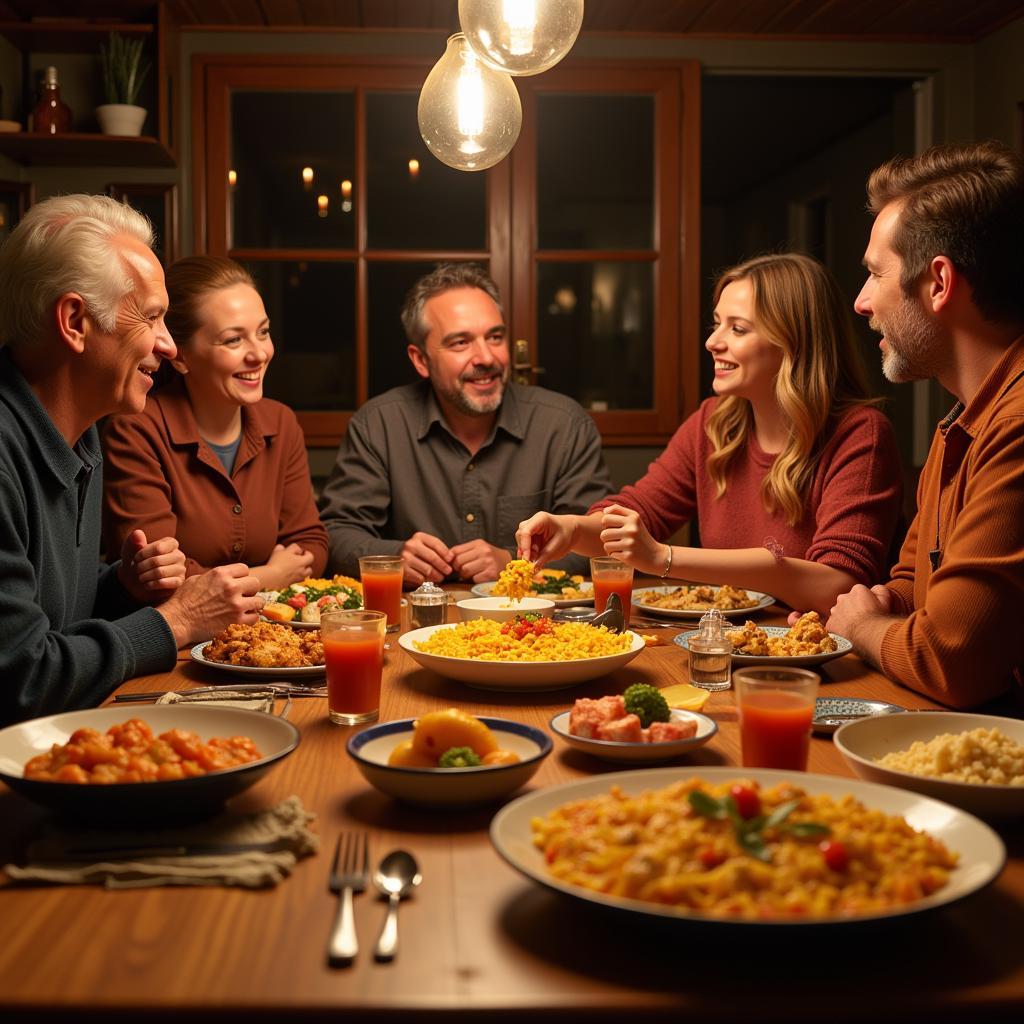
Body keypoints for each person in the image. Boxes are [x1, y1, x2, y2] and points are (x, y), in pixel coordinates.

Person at [0, 195, 264, 726]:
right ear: (75, 321)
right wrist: (175, 622)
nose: (168, 345)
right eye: (151, 318)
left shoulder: (81, 437)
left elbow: (54, 620)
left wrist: (122, 587)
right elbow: (21, 678)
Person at [517, 253, 903, 614]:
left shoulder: (860, 435)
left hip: (812, 660)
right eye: (716, 323)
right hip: (718, 644)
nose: (713, 342)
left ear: (793, 343)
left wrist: (664, 559)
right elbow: (641, 512)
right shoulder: (713, 423)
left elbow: (839, 585)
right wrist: (569, 529)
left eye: (737, 328)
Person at [826, 141, 1024, 709]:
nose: (861, 303)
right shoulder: (963, 418)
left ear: (938, 283)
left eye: (874, 274)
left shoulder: (1015, 426)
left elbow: (952, 660)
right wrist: (885, 608)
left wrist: (862, 627)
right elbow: (914, 586)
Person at [317, 262, 612, 585]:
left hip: (535, 629)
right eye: (460, 342)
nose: (486, 357)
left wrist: (513, 561)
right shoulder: (378, 425)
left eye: (495, 337)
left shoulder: (564, 425)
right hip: (414, 627)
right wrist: (394, 557)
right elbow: (337, 534)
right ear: (420, 360)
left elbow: (598, 541)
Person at [102, 256, 327, 590]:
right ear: (180, 357)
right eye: (233, 340)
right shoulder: (134, 430)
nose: (259, 354)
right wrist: (268, 577)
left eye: (262, 332)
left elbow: (310, 544)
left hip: (269, 633)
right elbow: (157, 572)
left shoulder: (281, 422)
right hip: (173, 637)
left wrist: (231, 581)